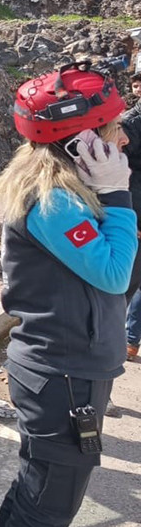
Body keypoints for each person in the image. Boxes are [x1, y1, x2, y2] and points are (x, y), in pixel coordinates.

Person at [0, 62, 134, 527]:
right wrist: (118, 195)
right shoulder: (54, 201)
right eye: (112, 129)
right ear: (81, 141)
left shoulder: (60, 189)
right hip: (64, 370)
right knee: (52, 503)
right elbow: (114, 273)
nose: (123, 138)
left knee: (37, 482)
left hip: (62, 364)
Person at [121, 72, 141, 359]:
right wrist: (129, 215)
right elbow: (118, 170)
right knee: (129, 279)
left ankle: (130, 338)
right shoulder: (131, 122)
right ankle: (119, 338)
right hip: (136, 206)